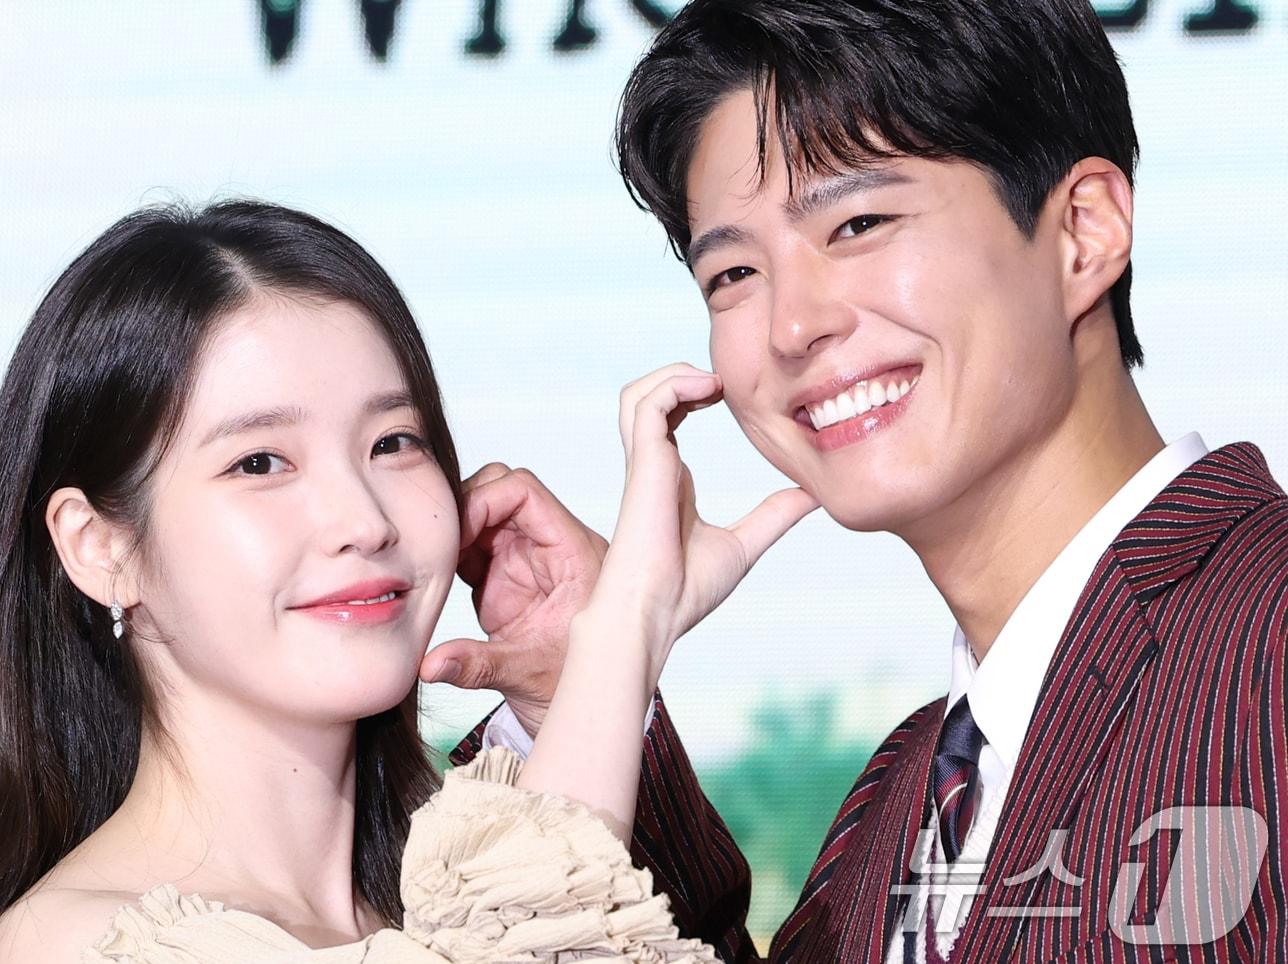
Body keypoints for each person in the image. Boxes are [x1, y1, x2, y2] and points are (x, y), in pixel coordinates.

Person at [424, 1, 1288, 960]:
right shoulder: (898, 796)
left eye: (859, 223)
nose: (793, 327)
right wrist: (595, 677)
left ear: (1084, 231)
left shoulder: (1267, 637)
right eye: (734, 275)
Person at [0, 200, 808, 964]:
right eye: (259, 462)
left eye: (393, 442)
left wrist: (578, 685)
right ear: (100, 547)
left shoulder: (446, 891)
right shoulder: (80, 945)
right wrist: (626, 625)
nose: (363, 519)